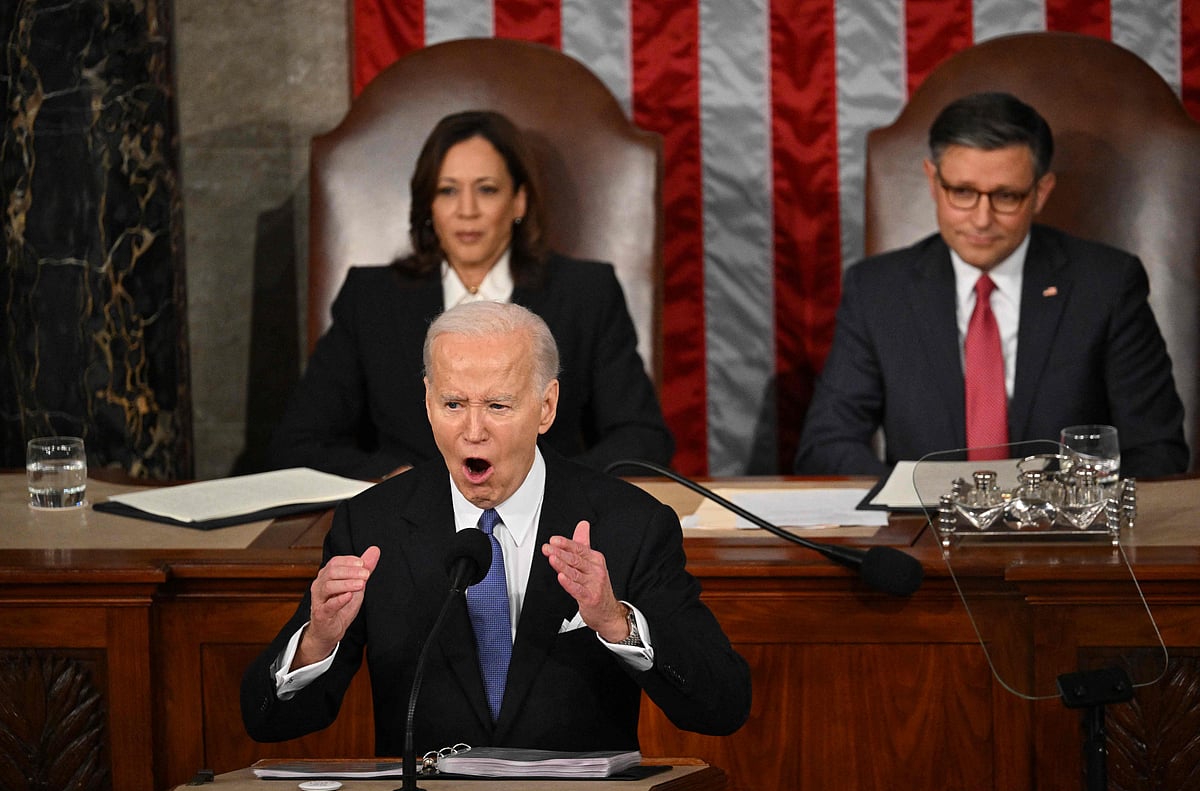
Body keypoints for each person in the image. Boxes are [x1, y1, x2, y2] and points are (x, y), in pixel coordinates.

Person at [242, 301, 751, 755]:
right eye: (453, 404)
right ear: (427, 400)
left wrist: (617, 623)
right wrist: (317, 640)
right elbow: (269, 721)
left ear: (546, 407)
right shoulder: (372, 525)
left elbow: (723, 705)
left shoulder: (628, 525)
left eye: (497, 406)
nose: (472, 430)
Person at [795, 91, 1189, 478]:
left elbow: (1156, 450)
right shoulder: (878, 290)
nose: (982, 219)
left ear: (1040, 192)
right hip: (924, 532)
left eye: (1006, 196)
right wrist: (910, 499)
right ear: (933, 182)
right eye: (962, 192)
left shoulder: (1106, 284)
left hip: (1063, 534)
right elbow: (827, 445)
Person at [268, 110, 673, 480]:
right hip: (410, 528)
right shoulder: (370, 298)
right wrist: (399, 479)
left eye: (486, 189)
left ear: (518, 201)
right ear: (428, 204)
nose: (467, 210)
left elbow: (642, 438)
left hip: (549, 530)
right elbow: (298, 445)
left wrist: (545, 486)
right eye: (447, 191)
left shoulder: (585, 293)